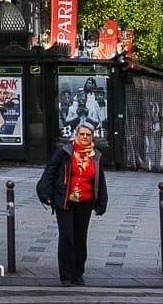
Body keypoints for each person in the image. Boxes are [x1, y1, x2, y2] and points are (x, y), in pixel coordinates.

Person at [36, 121, 108, 287]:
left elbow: (100, 180)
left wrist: (101, 202)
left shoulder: (96, 156)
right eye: (81, 134)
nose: (84, 137)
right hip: (65, 200)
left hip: (85, 201)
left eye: (88, 135)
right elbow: (51, 171)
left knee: (80, 238)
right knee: (67, 236)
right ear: (76, 135)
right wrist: (45, 194)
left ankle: (78, 274)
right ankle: (66, 276)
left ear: (92, 137)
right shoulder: (65, 152)